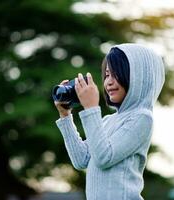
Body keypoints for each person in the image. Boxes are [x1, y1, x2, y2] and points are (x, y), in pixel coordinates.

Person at [54, 43, 165, 200]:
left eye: (116, 75)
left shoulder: (142, 118)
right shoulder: (108, 121)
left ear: (139, 78)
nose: (109, 82)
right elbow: (81, 160)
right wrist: (65, 116)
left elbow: (104, 157)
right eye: (106, 75)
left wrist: (91, 108)